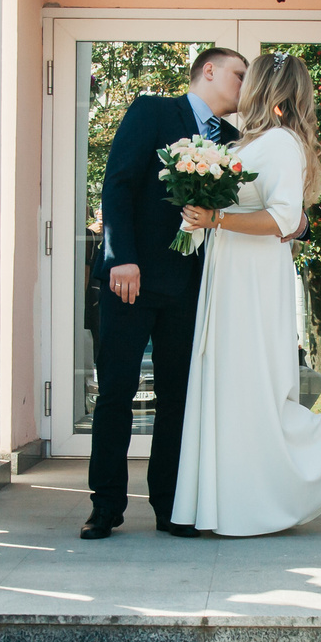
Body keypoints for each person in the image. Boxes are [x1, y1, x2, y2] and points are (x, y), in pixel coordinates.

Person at [172, 51, 321, 534]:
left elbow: (285, 218)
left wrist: (217, 218)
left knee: (251, 386)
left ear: (265, 88)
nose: (241, 88)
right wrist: (198, 217)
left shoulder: (282, 143)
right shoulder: (250, 142)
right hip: (229, 273)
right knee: (230, 386)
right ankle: (230, 504)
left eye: (249, 79)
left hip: (254, 279)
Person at [83, 46, 247, 539]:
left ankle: (170, 506)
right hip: (130, 280)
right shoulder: (153, 111)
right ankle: (105, 505)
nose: (245, 85)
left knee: (178, 397)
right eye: (239, 74)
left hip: (191, 287)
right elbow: (118, 183)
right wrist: (121, 257)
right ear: (209, 70)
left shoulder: (235, 141)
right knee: (116, 392)